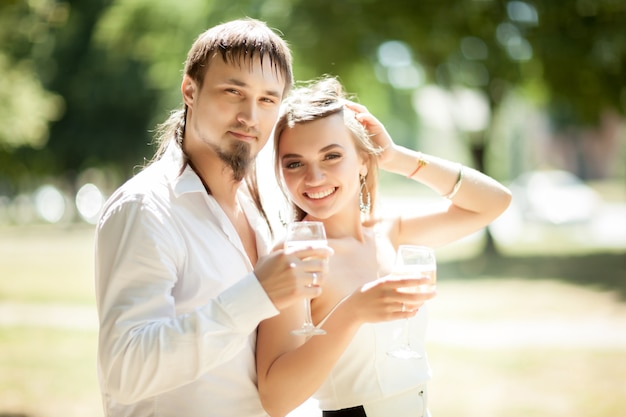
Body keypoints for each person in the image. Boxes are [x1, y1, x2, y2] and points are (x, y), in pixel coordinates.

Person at [94, 18, 332, 417]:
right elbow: (125, 371)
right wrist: (256, 294)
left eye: (267, 100)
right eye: (233, 92)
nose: (250, 116)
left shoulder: (267, 208)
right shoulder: (145, 208)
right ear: (190, 89)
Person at [256, 76, 512, 417]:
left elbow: (494, 202)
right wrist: (352, 312)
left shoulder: (389, 231)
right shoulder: (296, 257)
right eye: (294, 163)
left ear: (363, 161)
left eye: (331, 156)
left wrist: (395, 157)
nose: (313, 178)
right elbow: (275, 399)